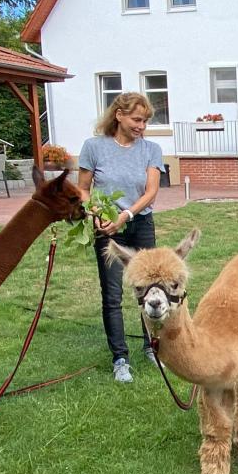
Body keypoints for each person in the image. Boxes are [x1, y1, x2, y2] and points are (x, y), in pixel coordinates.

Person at [77, 92, 164, 382]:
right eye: (137, 119)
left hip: (140, 224)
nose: (142, 126)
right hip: (107, 230)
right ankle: (120, 358)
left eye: (145, 121)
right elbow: (83, 189)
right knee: (112, 295)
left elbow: (150, 191)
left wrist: (125, 215)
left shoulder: (150, 149)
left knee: (151, 289)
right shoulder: (94, 147)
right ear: (119, 115)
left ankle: (151, 347)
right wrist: (97, 214)